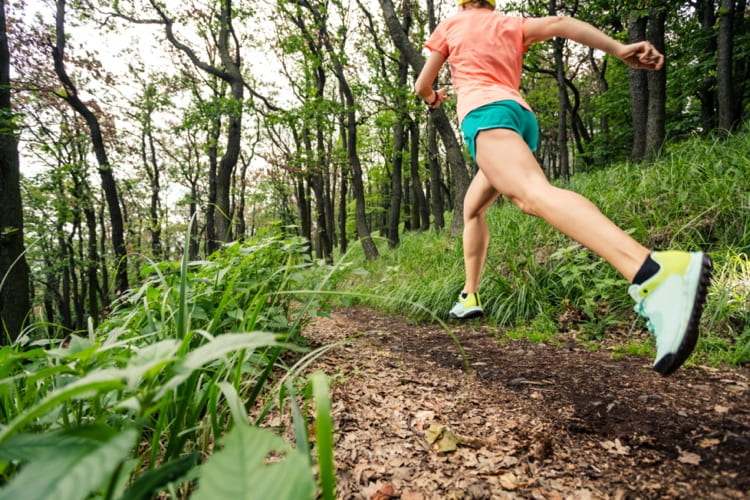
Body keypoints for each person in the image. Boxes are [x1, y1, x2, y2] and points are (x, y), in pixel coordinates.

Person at [414, 0, 713, 376]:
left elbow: (422, 83)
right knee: (472, 207)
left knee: (530, 194)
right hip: (517, 115)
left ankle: (653, 270)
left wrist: (432, 99)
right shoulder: (510, 23)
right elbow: (560, 23)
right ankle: (469, 293)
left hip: (484, 114)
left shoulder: (452, 24)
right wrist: (619, 49)